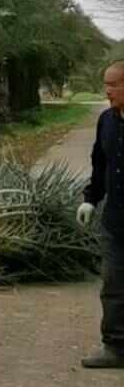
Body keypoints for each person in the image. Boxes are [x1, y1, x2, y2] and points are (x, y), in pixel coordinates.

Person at [77, 60, 124, 367]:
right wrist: (91, 199)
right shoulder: (106, 120)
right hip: (116, 222)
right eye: (105, 84)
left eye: (114, 85)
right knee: (113, 285)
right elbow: (99, 164)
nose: (107, 91)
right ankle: (116, 347)